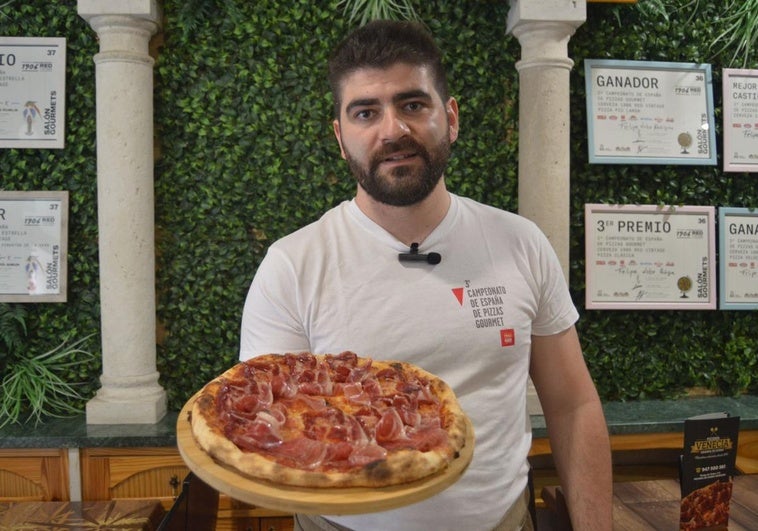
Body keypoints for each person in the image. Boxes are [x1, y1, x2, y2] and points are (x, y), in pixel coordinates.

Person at [240, 19, 612, 531]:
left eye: (413, 104)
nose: (392, 130)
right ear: (340, 137)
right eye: (366, 112)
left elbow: (573, 405)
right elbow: (271, 425)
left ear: (451, 116)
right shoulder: (293, 265)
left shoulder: (521, 244)